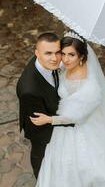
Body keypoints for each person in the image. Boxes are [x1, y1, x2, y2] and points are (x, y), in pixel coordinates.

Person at [31, 30, 105, 186]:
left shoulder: (90, 87)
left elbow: (76, 117)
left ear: (82, 57)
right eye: (63, 54)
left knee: (91, 169)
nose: (65, 59)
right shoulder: (66, 67)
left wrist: (49, 119)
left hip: (82, 128)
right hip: (63, 131)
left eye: (71, 55)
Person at [16, 32, 62, 178]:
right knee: (40, 156)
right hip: (40, 129)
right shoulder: (30, 90)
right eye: (48, 53)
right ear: (37, 53)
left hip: (48, 111)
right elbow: (40, 127)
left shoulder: (46, 62)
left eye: (57, 52)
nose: (55, 58)